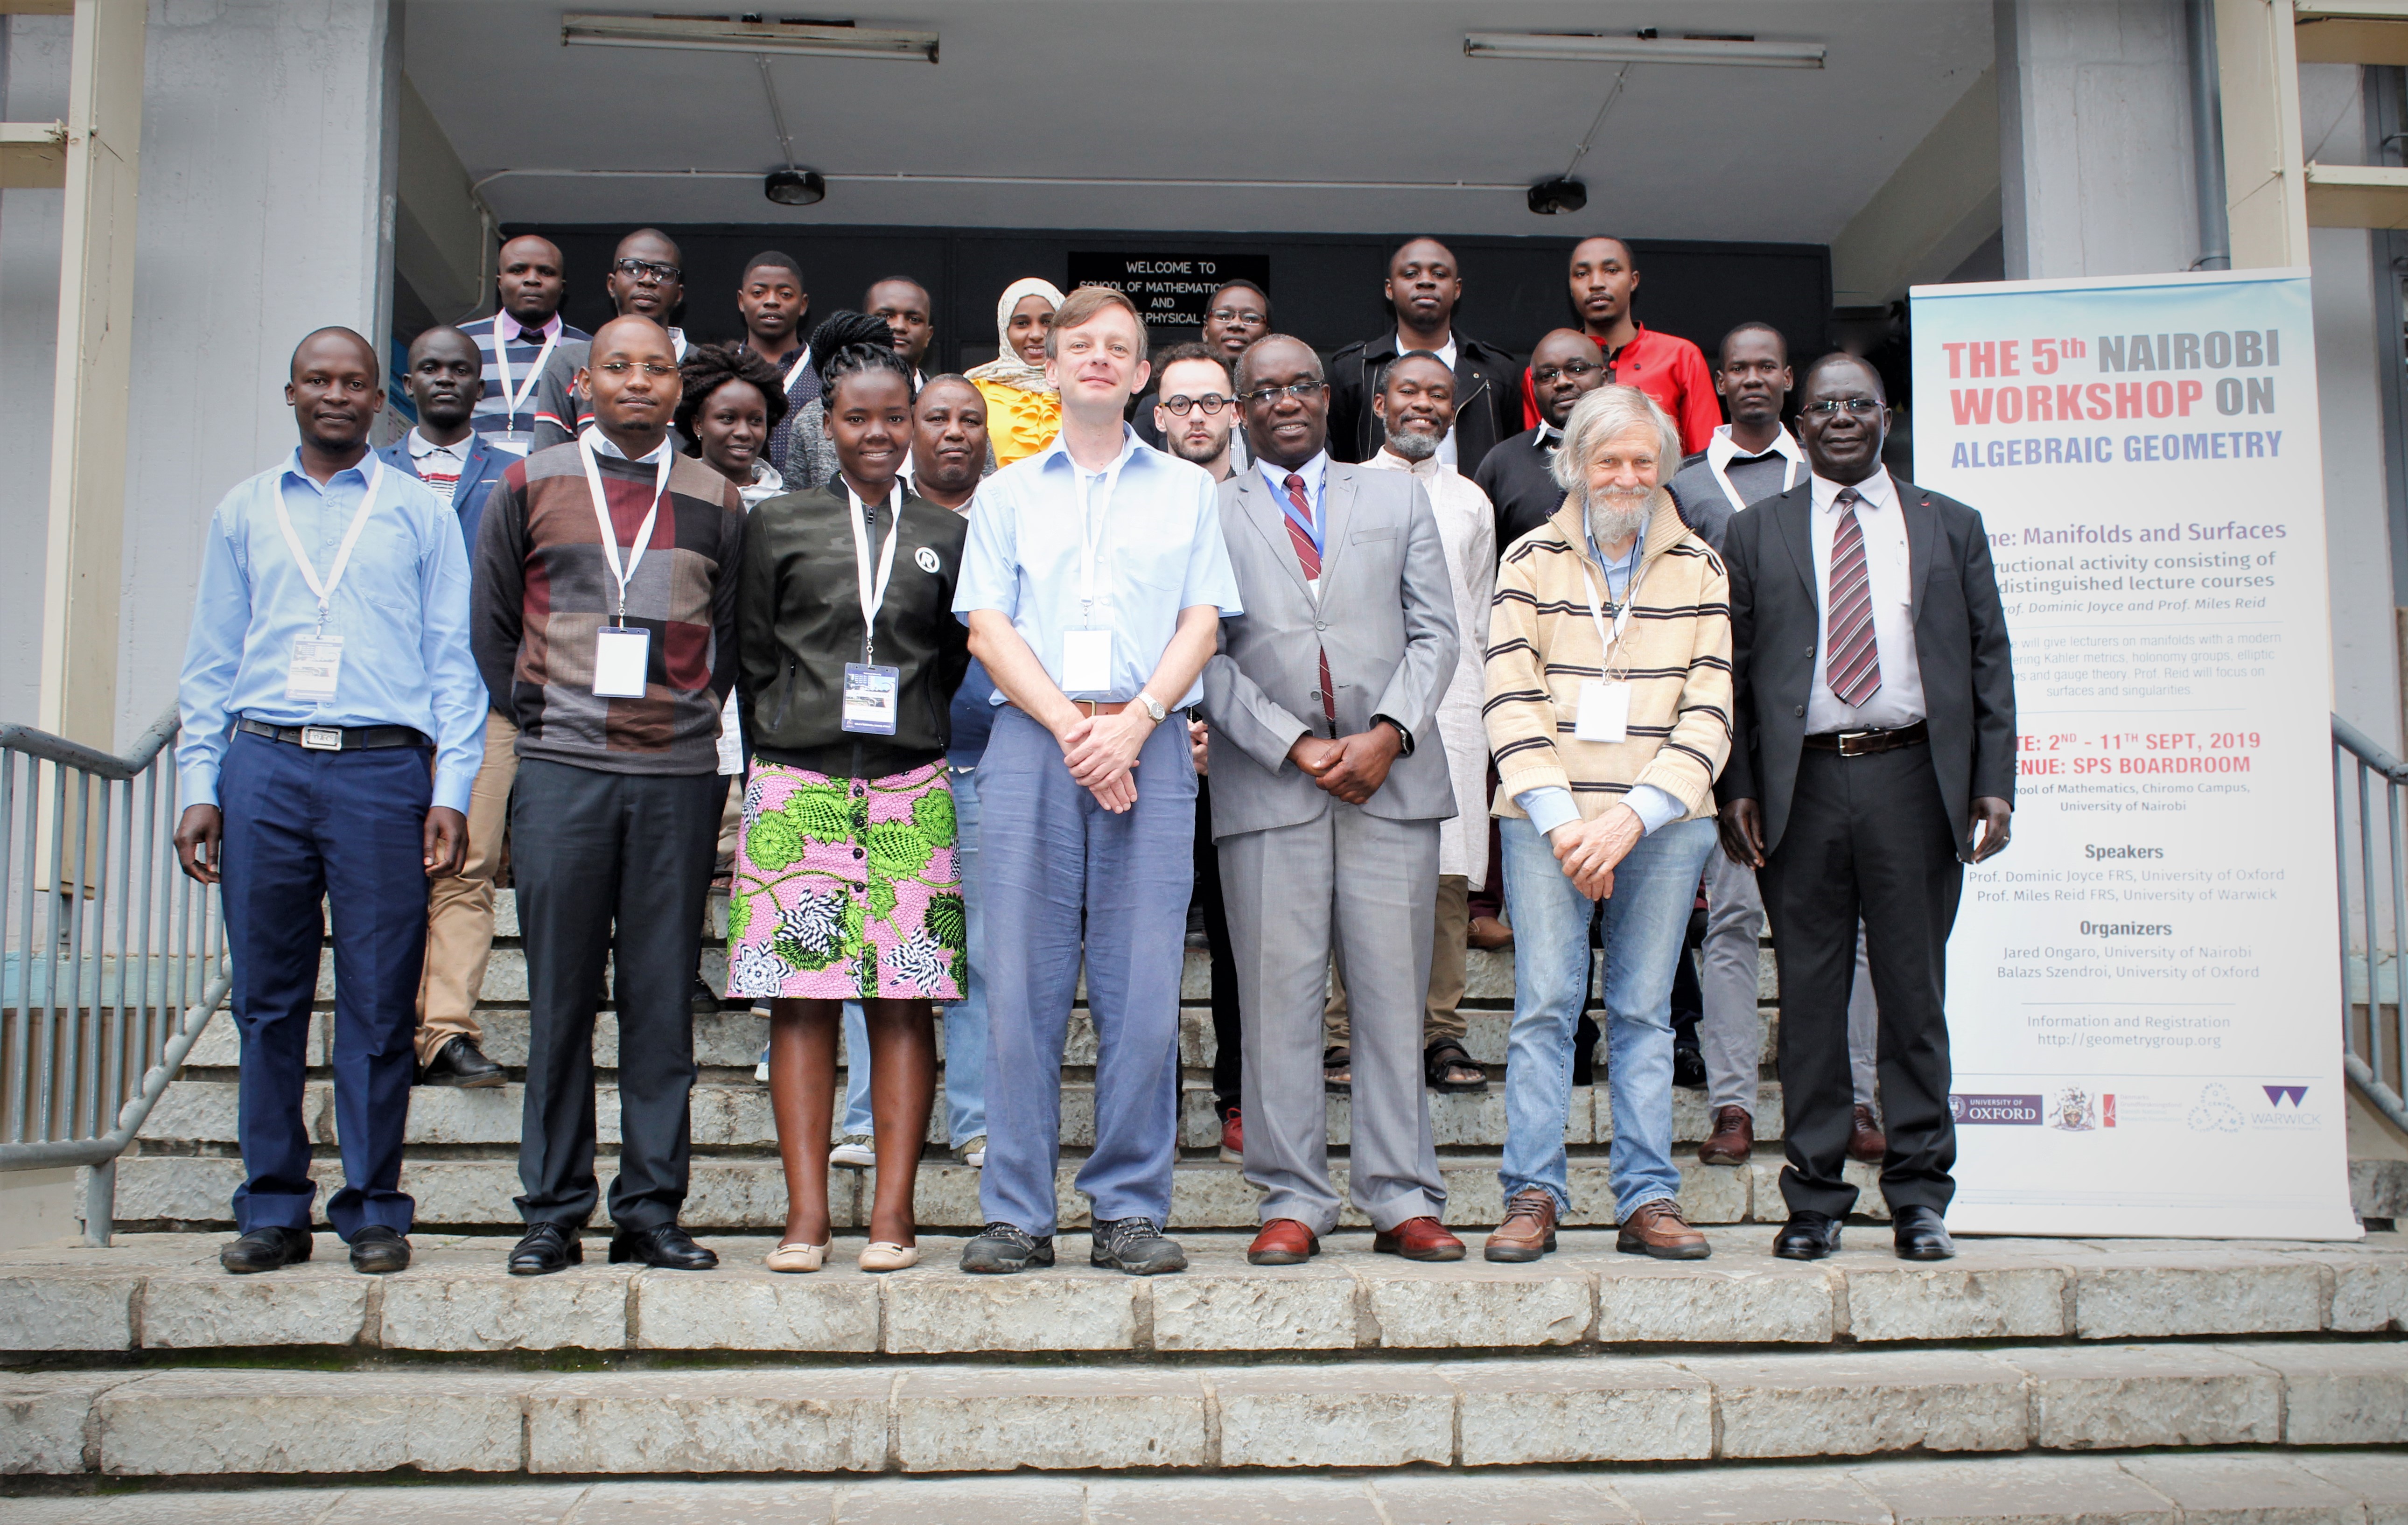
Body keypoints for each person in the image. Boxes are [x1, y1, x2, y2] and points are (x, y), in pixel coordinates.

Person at [174, 326, 485, 1276]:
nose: (338, 395)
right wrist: (200, 781)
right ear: (292, 393)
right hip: (263, 764)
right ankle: (272, 1205)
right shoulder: (243, 511)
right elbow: (211, 661)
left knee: (381, 1000)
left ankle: (373, 1205)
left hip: (381, 771)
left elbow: (452, 662)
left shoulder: (417, 513)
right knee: (268, 1001)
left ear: (377, 398)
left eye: (354, 381)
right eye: (321, 380)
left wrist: (454, 784)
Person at [952, 286, 1242, 1277]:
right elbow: (988, 627)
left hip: (1148, 736)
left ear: (1143, 372)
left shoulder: (1187, 491)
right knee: (1021, 986)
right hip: (1039, 740)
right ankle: (1017, 1212)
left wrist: (1135, 724)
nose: (1100, 360)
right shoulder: (1004, 493)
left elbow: (1203, 622)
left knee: (1145, 987)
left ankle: (1126, 1205)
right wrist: (1080, 730)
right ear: (1052, 361)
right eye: (1082, 345)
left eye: (1121, 347)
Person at [1716, 353, 2015, 1265]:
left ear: (1888, 414)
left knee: (1912, 995)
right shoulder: (1757, 530)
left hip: (1913, 779)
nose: (1841, 417)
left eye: (1859, 403)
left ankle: (1921, 1194)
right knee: (1809, 1001)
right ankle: (1813, 1197)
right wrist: (1737, 787)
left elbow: (1989, 658)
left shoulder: (1949, 524)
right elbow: (1729, 670)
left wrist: (1993, 781)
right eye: (1824, 406)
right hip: (1800, 787)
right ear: (1799, 424)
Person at [473, 315, 747, 1276]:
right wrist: (553, 716)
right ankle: (551, 1209)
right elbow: (494, 627)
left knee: (661, 1001)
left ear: (681, 388)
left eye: (658, 368)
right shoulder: (528, 482)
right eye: (619, 366)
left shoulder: (719, 496)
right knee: (558, 1000)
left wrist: (675, 718)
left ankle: (650, 1209)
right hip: (563, 772)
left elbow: (729, 640)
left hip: (675, 776)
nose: (639, 381)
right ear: (584, 383)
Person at [1203, 335, 1463, 1267]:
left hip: (1392, 782)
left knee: (1394, 998)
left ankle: (1401, 1195)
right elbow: (1204, 651)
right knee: (1278, 1001)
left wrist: (1389, 732)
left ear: (1328, 396)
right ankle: (1292, 1196)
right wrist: (1295, 742)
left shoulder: (1394, 494)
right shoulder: (1207, 508)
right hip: (1271, 784)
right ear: (1242, 408)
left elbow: (1437, 630)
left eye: (1298, 385)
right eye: (1261, 390)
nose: (1282, 402)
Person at [726, 339, 970, 1274]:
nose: (877, 432)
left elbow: (946, 659)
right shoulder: (779, 523)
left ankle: (895, 1218)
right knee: (801, 1002)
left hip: (911, 786)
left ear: (912, 426)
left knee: (904, 1000)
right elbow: (754, 653)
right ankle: (805, 1218)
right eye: (857, 417)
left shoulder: (947, 535)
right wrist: (790, 735)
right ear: (827, 426)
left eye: (892, 417)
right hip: (801, 783)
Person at [1481, 385, 1732, 1264]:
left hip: (1661, 825)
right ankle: (1533, 1193)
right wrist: (1565, 823)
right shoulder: (1528, 560)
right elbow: (1510, 701)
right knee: (1544, 1008)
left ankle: (1647, 1196)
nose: (1626, 475)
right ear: (1576, 466)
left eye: (1642, 460)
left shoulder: (1701, 566)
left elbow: (1711, 712)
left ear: (1663, 466)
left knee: (1644, 1011)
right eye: (1608, 459)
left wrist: (1627, 818)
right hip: (1547, 823)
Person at [1666, 323, 1885, 1169]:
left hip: (1833, 734)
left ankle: (1853, 1093)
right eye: (1740, 368)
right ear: (1718, 381)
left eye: (1769, 366)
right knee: (1731, 923)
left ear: (1788, 379)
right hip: (1731, 734)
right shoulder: (1684, 485)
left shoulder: (1833, 474)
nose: (1754, 378)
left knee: (1849, 928)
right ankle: (1730, 1102)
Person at [828, 374, 995, 1172]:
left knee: (983, 951)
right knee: (879, 943)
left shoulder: (1007, 519)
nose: (955, 431)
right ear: (908, 431)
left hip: (989, 761)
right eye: (938, 417)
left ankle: (977, 1118)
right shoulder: (867, 522)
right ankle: (864, 1118)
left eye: (971, 418)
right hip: (890, 764)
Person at [1321, 350, 1495, 1096]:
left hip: (1452, 705)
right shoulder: (1341, 489)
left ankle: (1440, 1035)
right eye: (1409, 393)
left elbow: (1478, 615)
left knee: (1447, 872)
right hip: (1363, 708)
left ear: (1453, 411)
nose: (1424, 406)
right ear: (1381, 404)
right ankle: (1342, 1031)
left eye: (1440, 396)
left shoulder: (1472, 503)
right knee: (1353, 864)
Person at [376, 325, 510, 1090]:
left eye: (462, 369)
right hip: (387, 706)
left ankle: (447, 1031)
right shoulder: (371, 476)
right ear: (409, 382)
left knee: (468, 863)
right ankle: (390, 1025)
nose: (446, 380)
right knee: (387, 870)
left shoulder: (515, 475)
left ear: (481, 386)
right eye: (430, 368)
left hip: (484, 703)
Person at [1150, 341, 1246, 1161]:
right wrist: (1165, 720)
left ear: (1236, 412)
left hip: (1242, 762)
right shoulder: (1133, 501)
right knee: (1143, 938)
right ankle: (1156, 1103)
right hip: (1144, 749)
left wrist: (1231, 728)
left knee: (1239, 936)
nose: (1196, 418)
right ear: (1157, 415)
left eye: (1211, 402)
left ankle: (1239, 1097)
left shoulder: (1261, 507)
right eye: (1181, 403)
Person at [673, 341, 791, 976]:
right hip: (694, 687)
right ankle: (682, 970)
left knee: (766, 833)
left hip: (770, 691)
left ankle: (765, 971)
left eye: (755, 420)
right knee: (688, 838)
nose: (743, 432)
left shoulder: (791, 502)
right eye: (727, 419)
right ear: (696, 422)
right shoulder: (674, 494)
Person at [1326, 238, 1520, 475]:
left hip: (1472, 509)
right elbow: (1337, 464)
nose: (1426, 281)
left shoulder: (1496, 370)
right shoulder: (1354, 370)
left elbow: (1513, 458)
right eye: (1410, 274)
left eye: (1439, 274)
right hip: (1379, 509)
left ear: (1457, 289)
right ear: (1390, 289)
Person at [1519, 238, 1719, 458]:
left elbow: (1706, 459)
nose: (1596, 283)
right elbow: (1537, 459)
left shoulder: (1681, 357)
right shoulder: (1544, 373)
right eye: (1582, 274)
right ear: (1570, 286)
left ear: (1633, 281)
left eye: (1611, 270)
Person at [528, 228, 691, 452]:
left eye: (663, 273)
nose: (647, 280)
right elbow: (548, 464)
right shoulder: (568, 362)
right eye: (633, 268)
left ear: (679, 294)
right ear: (612, 285)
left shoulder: (705, 365)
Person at [1479, 329, 1610, 552]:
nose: (1562, 383)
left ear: (1605, 379)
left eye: (1577, 369)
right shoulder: (1502, 463)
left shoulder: (1638, 452)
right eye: (1547, 376)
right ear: (1533, 389)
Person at [460, 235, 590, 455]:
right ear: (500, 282)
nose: (532, 280)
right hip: (472, 481)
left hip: (554, 481)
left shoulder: (589, 350)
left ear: (562, 287)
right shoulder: (462, 342)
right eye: (518, 270)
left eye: (546, 272)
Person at [1132, 279, 1268, 465]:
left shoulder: (1278, 404)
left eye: (1251, 318)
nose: (1236, 324)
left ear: (1235, 413)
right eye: (1223, 315)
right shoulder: (1153, 407)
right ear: (1205, 330)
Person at [782, 312, 897, 494]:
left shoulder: (906, 410)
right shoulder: (808, 419)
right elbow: (795, 493)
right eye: (856, 419)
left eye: (894, 419)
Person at [735, 252, 819, 480]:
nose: (771, 301)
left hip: (804, 508)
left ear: (803, 305)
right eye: (759, 293)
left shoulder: (826, 373)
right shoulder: (721, 371)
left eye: (785, 294)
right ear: (742, 301)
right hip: (734, 502)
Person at [965, 278, 1064, 468]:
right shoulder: (974, 391)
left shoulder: (1082, 386)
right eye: (1022, 323)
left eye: (1047, 322)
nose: (1036, 334)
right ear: (1005, 329)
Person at [867, 276, 937, 386]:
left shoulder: (943, 401)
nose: (900, 326)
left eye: (914, 319)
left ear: (929, 336)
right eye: (886, 316)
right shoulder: (835, 396)